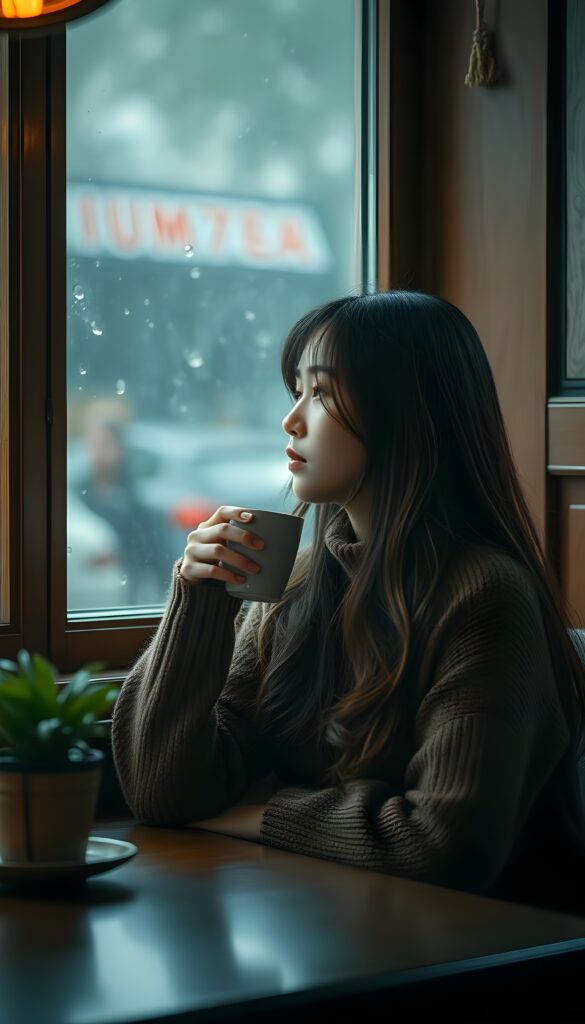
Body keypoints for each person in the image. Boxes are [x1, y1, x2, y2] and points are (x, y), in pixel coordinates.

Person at [111, 290, 585, 913]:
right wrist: (198, 599)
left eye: (322, 392)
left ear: (408, 412)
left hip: (494, 958)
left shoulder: (486, 598)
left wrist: (262, 812)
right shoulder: (303, 582)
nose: (293, 419)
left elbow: (442, 843)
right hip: (337, 927)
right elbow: (162, 791)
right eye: (296, 390)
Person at [78, 417, 175, 604]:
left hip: (127, 592)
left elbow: (155, 554)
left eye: (105, 444)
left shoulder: (135, 501)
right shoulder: (76, 494)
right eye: (94, 444)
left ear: (120, 449)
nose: (99, 452)